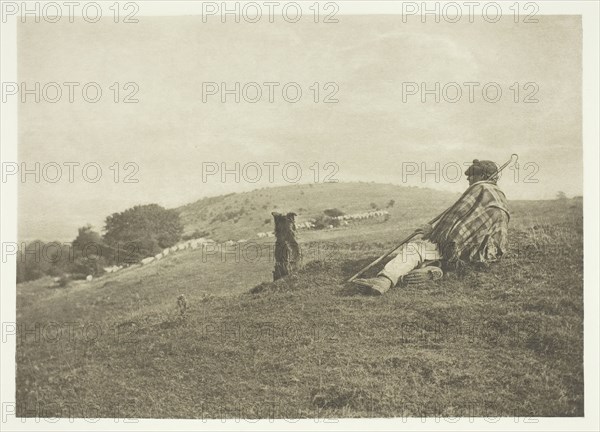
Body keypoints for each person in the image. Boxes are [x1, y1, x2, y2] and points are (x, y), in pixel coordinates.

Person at [353, 159, 510, 295]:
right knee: (433, 253)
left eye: (471, 174)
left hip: (460, 248)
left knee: (416, 248)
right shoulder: (500, 195)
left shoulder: (479, 188)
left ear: (482, 176)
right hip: (485, 254)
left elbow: (453, 220)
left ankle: (384, 280)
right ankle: (436, 270)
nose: (468, 178)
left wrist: (430, 231)